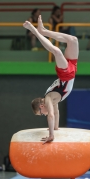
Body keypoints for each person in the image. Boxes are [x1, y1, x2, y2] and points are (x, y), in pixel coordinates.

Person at [23, 15, 79, 144]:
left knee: (57, 51)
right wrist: (55, 129)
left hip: (66, 75)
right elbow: (56, 114)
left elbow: (51, 115)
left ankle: (35, 31)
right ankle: (44, 31)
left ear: (42, 106)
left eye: (41, 113)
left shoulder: (48, 99)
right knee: (73, 40)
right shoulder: (53, 101)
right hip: (71, 71)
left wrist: (51, 135)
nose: (44, 114)